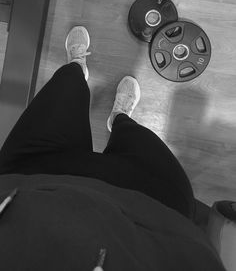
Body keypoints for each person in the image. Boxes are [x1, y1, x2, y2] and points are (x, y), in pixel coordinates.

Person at [0, 26, 225, 270]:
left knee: (65, 86)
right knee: (136, 137)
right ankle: (120, 118)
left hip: (28, 175)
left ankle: (76, 69)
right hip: (150, 206)